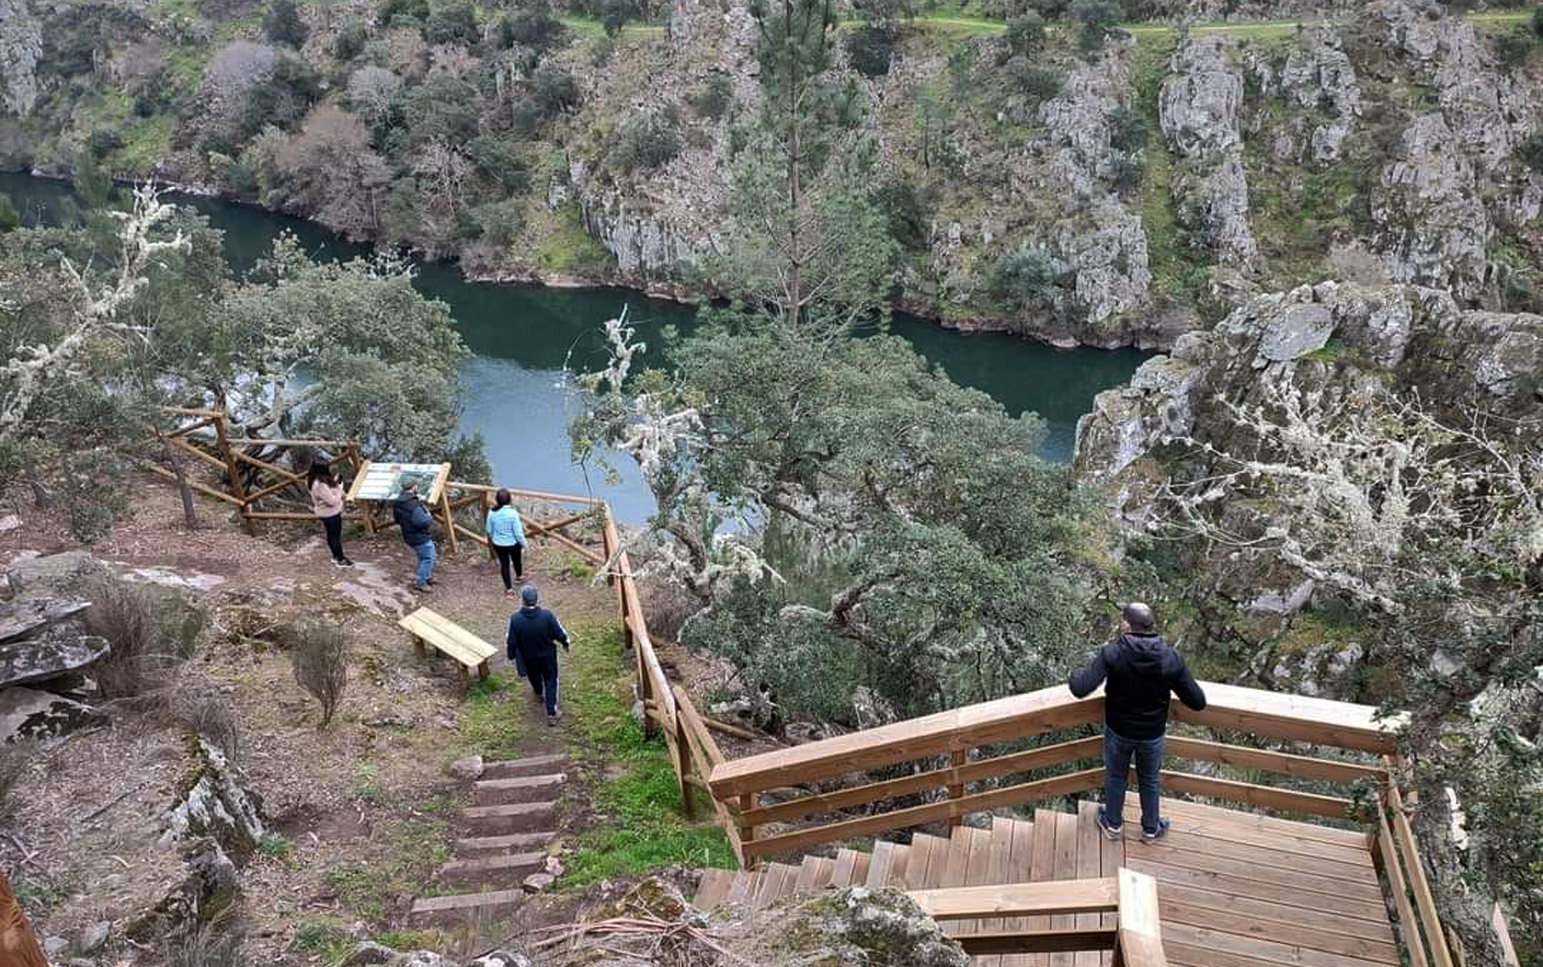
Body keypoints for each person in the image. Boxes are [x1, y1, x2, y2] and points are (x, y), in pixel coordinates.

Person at [1068, 602, 1206, 843]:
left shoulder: (1113, 653)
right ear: (1150, 626)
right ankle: (1151, 829)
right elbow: (1197, 701)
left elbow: (1080, 688)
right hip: (1152, 733)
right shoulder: (1170, 658)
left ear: (1126, 625)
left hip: (1118, 729)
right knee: (1150, 779)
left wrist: (1072, 675)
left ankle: (1112, 825)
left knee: (1116, 776)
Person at [506, 584, 571, 726]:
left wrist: (511, 655)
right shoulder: (547, 616)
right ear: (537, 599)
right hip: (547, 657)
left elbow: (511, 641)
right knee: (551, 680)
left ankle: (538, 692)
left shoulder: (515, 619)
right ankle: (552, 713)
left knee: (533, 676)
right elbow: (559, 632)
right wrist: (565, 643)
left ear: (522, 600)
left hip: (528, 657)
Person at [308, 461, 353, 568]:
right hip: (330, 514)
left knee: (331, 535)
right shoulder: (320, 485)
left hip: (325, 513)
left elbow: (327, 493)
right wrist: (340, 487)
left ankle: (336, 556)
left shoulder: (312, 479)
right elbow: (333, 501)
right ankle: (340, 559)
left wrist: (335, 483)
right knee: (335, 537)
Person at [393, 482, 436, 593]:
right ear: (414, 487)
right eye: (416, 486)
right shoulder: (413, 504)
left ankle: (426, 576)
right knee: (427, 557)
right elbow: (421, 522)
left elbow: (397, 520)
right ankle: (421, 582)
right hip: (419, 536)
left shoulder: (398, 501)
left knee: (424, 557)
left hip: (408, 534)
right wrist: (430, 517)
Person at [485, 489, 528, 597]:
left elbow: (489, 530)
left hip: (498, 544)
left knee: (504, 565)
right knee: (517, 560)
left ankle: (509, 589)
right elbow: (518, 533)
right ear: (509, 499)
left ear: (497, 500)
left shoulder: (492, 512)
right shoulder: (513, 513)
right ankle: (519, 577)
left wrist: (494, 538)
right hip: (513, 543)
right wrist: (524, 544)